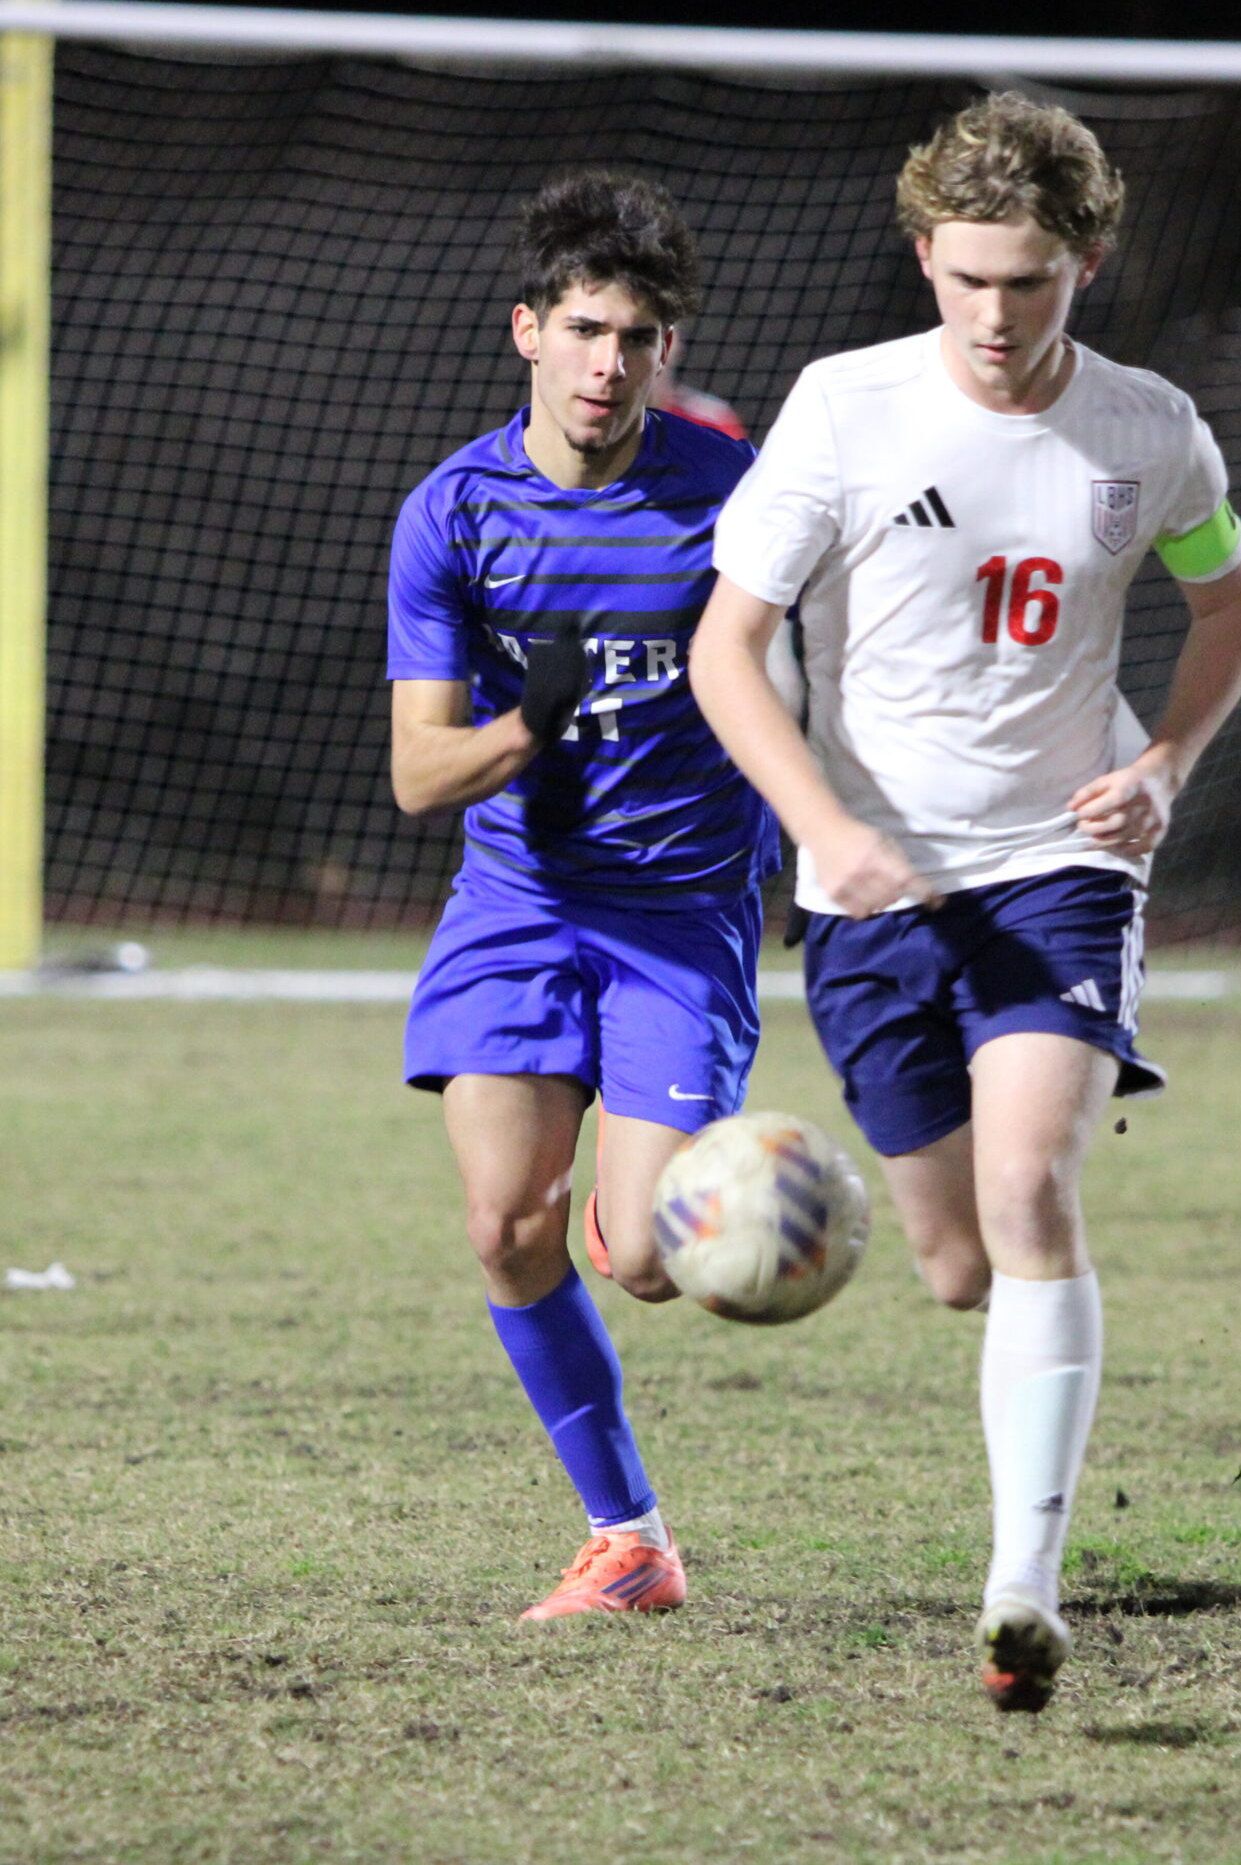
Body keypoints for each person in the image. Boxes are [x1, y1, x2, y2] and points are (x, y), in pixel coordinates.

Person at [688, 92, 1241, 1710]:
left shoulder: (1151, 430)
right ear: (923, 259)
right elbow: (724, 649)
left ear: (1084, 261)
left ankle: (1023, 1584)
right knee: (952, 1265)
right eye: (962, 281)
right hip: (873, 880)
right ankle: (989, 1396)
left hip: (1058, 865)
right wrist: (821, 825)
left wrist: (1161, 761)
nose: (993, 318)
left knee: (1030, 1193)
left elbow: (1230, 604)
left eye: (1027, 282)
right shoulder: (841, 410)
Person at [387, 169, 778, 1621]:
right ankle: (630, 1542)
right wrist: (520, 730)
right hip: (519, 904)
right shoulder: (451, 514)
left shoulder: (736, 499)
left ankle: (661, 1209)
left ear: (668, 350)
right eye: (588, 330)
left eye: (640, 336)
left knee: (652, 1270)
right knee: (504, 1228)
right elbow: (421, 778)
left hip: (680, 916)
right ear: (528, 332)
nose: (612, 362)